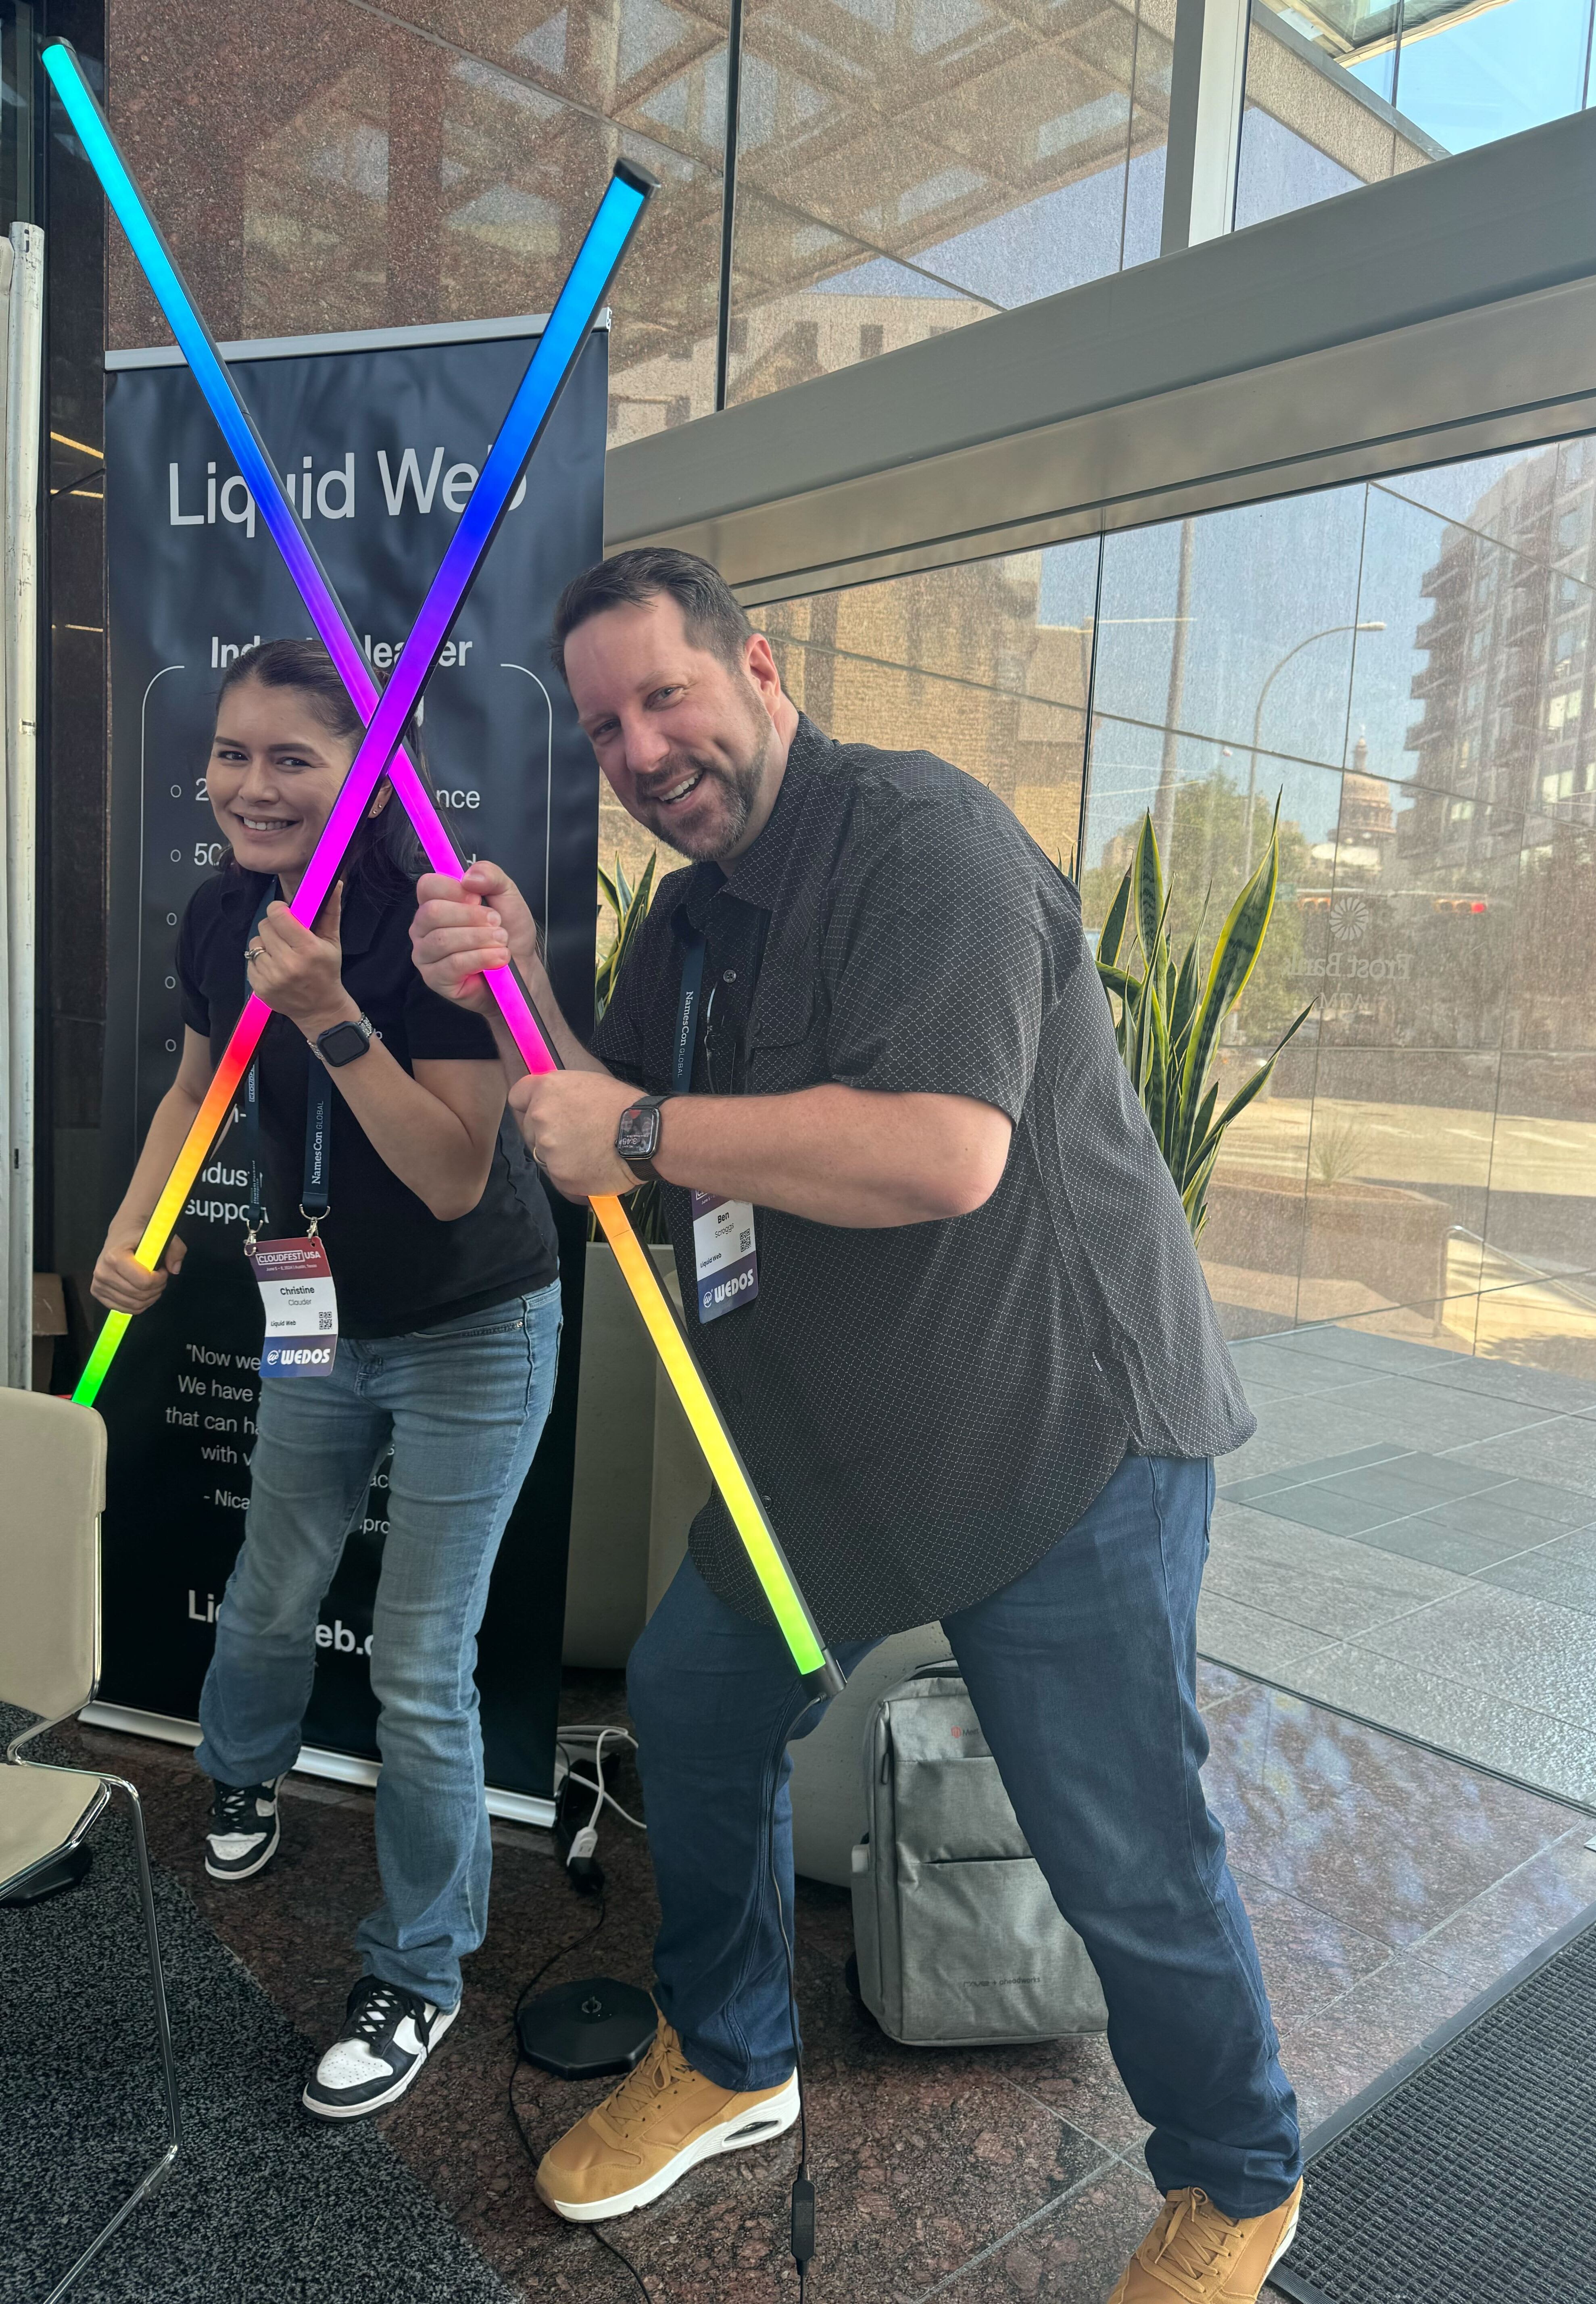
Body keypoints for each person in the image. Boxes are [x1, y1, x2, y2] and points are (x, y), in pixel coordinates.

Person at [410, 551, 1304, 2302]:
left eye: (666, 695)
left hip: (1059, 1438)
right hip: (827, 1458)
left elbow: (940, 1152)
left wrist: (646, 1132)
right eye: (604, 727)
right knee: (690, 1693)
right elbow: (617, 1102)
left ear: (756, 664)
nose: (644, 747)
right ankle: (736, 2053)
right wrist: (524, 986)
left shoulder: (925, 845)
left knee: (1117, 1838)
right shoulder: (682, 925)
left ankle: (1241, 2172)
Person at [92, 639, 561, 2120]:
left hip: (469, 1322)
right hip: (311, 1308)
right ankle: (240, 1775)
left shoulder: (437, 925)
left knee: (423, 1666)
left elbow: (449, 1172)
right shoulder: (223, 909)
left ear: (368, 771)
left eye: (291, 757)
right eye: (231, 755)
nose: (248, 786)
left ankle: (418, 1972)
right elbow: (191, 1086)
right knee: (270, 1581)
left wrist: (327, 1014)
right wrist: (134, 1225)